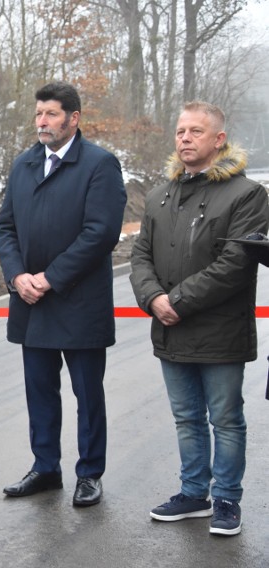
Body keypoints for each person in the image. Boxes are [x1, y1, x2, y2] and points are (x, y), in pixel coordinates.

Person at [130, 101, 269, 536]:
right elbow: (139, 255)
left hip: (219, 330)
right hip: (170, 328)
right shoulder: (159, 195)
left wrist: (178, 300)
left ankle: (226, 499)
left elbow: (236, 263)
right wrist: (153, 297)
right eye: (180, 131)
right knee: (186, 418)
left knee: (225, 418)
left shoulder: (247, 194)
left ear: (218, 139)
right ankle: (194, 494)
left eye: (195, 131)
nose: (185, 138)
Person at [0, 82, 126, 507]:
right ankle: (45, 466)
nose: (42, 122)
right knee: (39, 391)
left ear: (74, 118)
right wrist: (17, 277)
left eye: (51, 114)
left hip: (78, 303)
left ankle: (89, 473)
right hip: (31, 303)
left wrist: (49, 278)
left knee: (87, 394)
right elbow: (5, 228)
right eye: (38, 114)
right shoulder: (24, 164)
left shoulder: (99, 165)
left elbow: (100, 233)